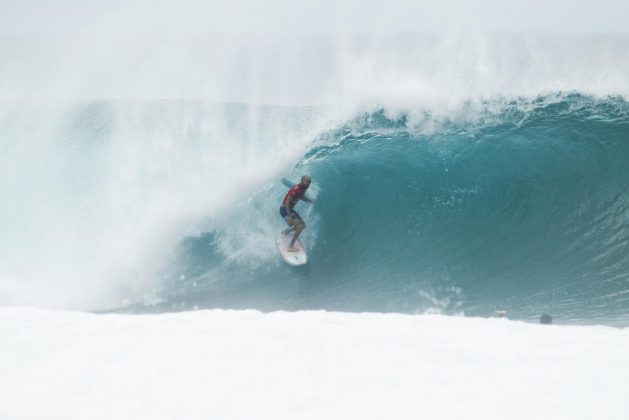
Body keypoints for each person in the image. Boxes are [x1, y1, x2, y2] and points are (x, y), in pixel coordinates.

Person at [280, 175, 313, 252]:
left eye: (309, 182)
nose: (308, 184)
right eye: (307, 182)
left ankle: (286, 232)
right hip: (285, 209)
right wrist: (289, 216)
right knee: (300, 226)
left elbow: (301, 197)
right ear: (302, 181)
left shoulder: (303, 189)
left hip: (290, 210)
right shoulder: (296, 189)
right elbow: (287, 202)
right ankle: (290, 247)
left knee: (303, 226)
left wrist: (309, 201)